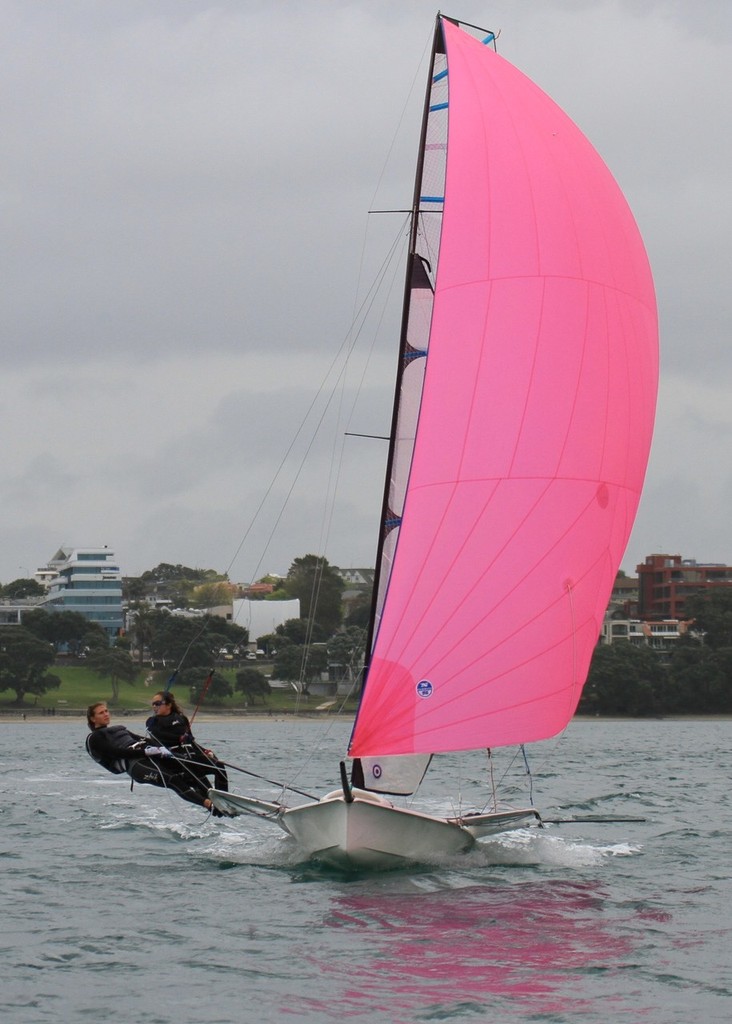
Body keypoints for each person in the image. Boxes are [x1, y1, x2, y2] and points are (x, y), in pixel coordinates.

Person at [85, 702, 226, 815]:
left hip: (149, 755)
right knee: (173, 780)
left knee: (188, 766)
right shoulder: (94, 738)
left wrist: (163, 749)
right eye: (101, 713)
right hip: (135, 765)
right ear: (92, 718)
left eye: (106, 711)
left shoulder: (119, 729)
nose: (106, 714)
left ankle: (218, 799)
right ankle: (209, 805)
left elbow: (143, 739)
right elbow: (116, 753)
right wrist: (145, 753)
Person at [146, 691, 228, 792]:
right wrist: (179, 738)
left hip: (191, 755)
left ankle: (224, 796)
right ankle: (209, 795)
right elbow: (160, 737)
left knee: (219, 765)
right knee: (193, 768)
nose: (154, 706)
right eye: (153, 704)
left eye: (157, 703)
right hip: (174, 760)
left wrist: (205, 751)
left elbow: (191, 741)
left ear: (168, 705)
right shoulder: (152, 722)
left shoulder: (182, 719)